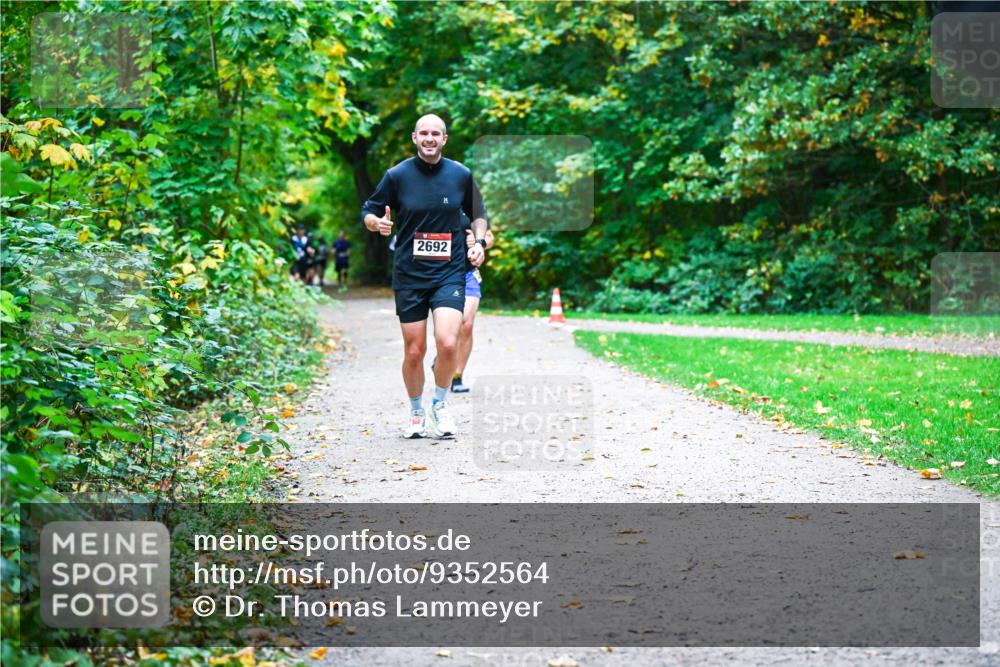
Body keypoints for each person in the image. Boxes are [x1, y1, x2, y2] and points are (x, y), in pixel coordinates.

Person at [361, 113, 488, 439]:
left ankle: (440, 405)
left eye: (436, 133)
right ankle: (416, 411)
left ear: (444, 139)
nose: (430, 138)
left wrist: (481, 243)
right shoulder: (397, 175)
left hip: (449, 273)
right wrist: (379, 223)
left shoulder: (460, 175)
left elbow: (479, 216)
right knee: (414, 351)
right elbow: (369, 211)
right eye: (424, 133)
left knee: (447, 344)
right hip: (410, 275)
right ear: (415, 138)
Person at [451, 225, 495, 392]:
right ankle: (445, 356)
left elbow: (490, 238)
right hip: (442, 272)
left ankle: (457, 376)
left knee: (466, 324)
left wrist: (479, 243)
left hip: (468, 273)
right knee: (451, 324)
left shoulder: (474, 207)